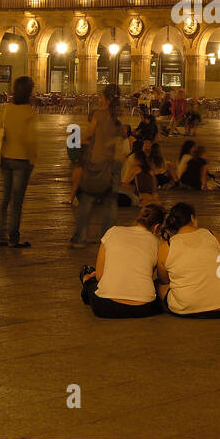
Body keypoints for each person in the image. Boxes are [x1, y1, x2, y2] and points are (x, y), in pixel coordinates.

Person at [78, 204, 167, 318]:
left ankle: (86, 279)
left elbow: (100, 276)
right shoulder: (157, 242)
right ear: (156, 227)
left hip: (106, 306)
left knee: (93, 283)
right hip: (144, 308)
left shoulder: (113, 232)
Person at [156, 202, 220, 317]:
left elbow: (164, 280)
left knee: (160, 285)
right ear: (192, 218)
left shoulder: (166, 246)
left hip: (188, 309)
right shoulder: (214, 235)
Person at [71, 84, 125, 249]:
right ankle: (107, 240)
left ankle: (80, 238)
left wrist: (81, 140)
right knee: (110, 203)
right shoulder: (119, 116)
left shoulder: (99, 114)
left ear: (106, 98)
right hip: (115, 164)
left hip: (97, 163)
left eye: (102, 97)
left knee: (87, 200)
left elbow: (88, 133)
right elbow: (123, 137)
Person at [0, 76, 39, 248]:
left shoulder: (7, 109)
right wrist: (32, 158)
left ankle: (0, 236)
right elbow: (30, 139)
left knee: (4, 199)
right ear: (29, 92)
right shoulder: (29, 111)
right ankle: (13, 237)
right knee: (16, 202)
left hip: (6, 158)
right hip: (22, 160)